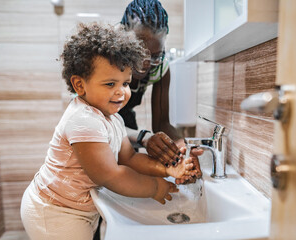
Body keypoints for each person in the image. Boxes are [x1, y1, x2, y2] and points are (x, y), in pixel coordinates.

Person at [20, 22, 197, 240]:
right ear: (79, 85)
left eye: (125, 83)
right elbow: (111, 175)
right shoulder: (83, 120)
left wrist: (167, 170)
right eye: (110, 84)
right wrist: (154, 187)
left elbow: (129, 158)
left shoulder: (113, 117)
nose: (121, 93)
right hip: (54, 211)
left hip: (76, 207)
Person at [119, 0, 202, 181]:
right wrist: (142, 137)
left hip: (126, 125)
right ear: (123, 38)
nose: (146, 63)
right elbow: (97, 123)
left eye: (155, 55)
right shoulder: (108, 61)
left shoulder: (159, 69)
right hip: (96, 128)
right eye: (138, 52)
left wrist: (182, 145)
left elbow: (161, 125)